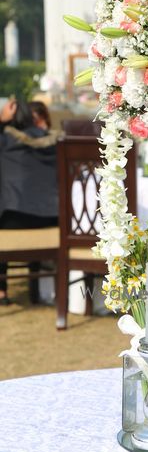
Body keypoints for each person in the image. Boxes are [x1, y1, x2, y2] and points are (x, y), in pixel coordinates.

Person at [0, 99, 59, 305]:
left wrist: (1, 120)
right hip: (52, 221)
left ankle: (2, 291)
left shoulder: (5, 141)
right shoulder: (54, 142)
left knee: (6, 207)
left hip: (12, 222)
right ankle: (37, 291)